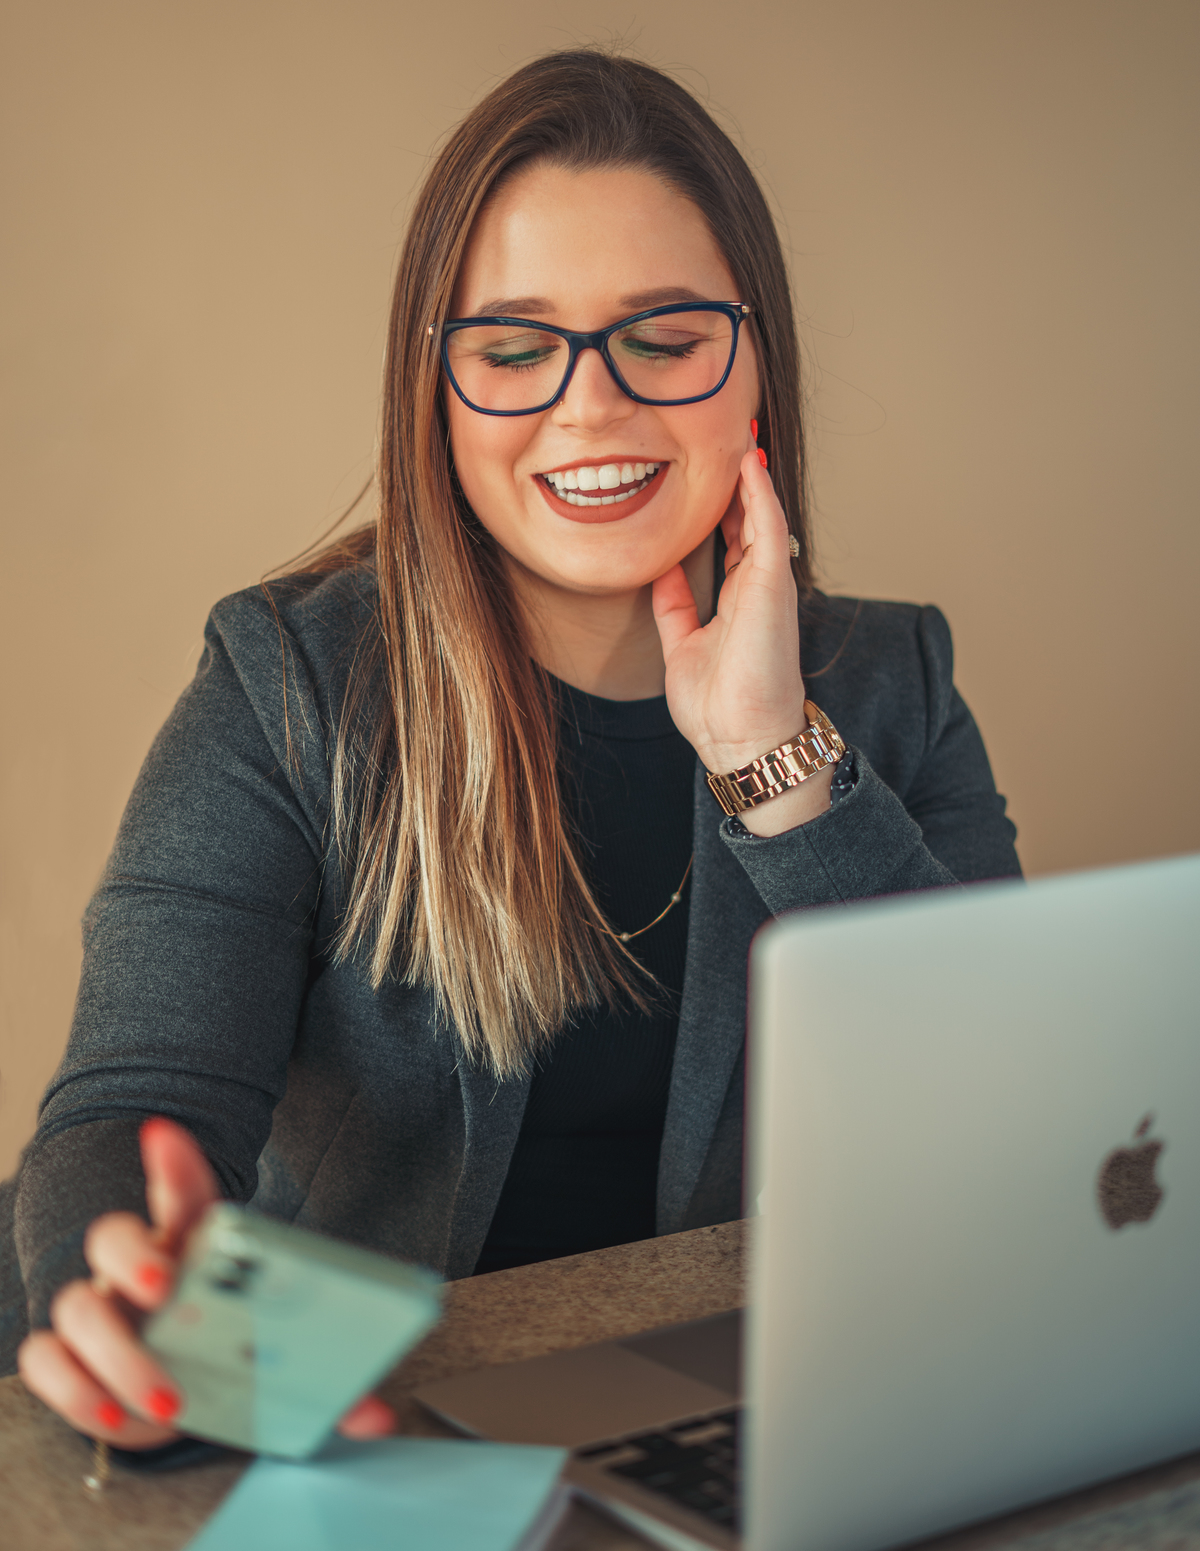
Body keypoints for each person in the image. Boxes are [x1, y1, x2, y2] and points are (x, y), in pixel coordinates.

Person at [1, 49, 1019, 1457]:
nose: (590, 408)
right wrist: (129, 1281)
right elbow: (131, 1108)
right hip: (362, 1435)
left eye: (663, 339)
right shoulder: (288, 680)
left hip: (744, 1435)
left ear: (755, 369)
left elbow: (1017, 1127)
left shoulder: (892, 685)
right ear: (438, 388)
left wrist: (774, 762)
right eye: (513, 348)